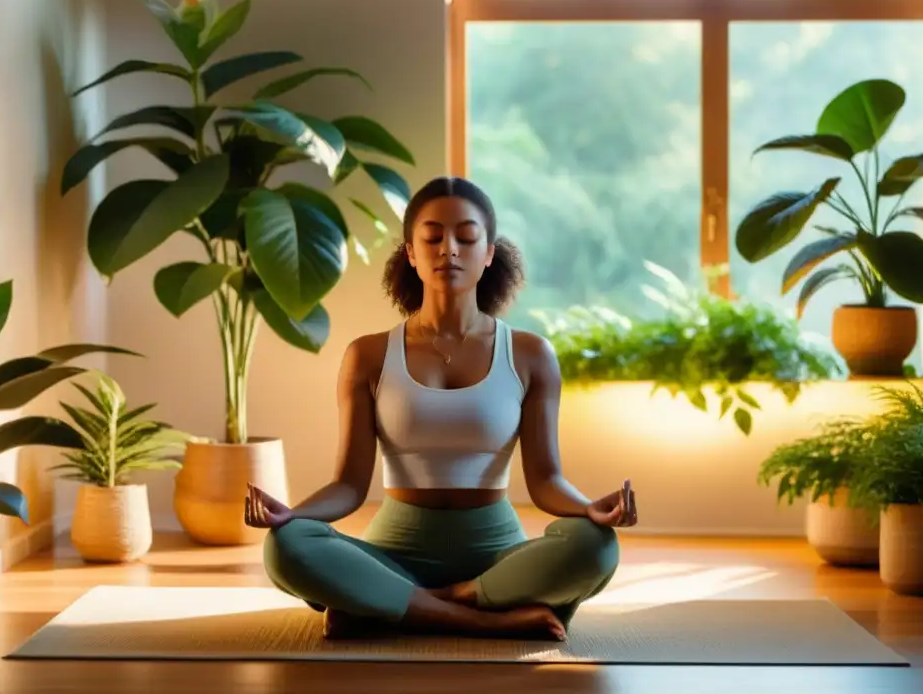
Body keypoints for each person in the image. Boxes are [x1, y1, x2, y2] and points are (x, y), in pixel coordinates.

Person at [244, 176, 636, 642]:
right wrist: (290, 516)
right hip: (393, 552)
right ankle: (482, 619)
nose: (449, 248)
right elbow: (348, 486)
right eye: (432, 237)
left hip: (496, 559)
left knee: (595, 547)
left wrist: (591, 508)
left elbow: (546, 481)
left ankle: (394, 605)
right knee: (287, 547)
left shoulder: (531, 355)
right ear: (410, 252)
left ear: (490, 252)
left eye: (466, 237)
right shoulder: (367, 355)